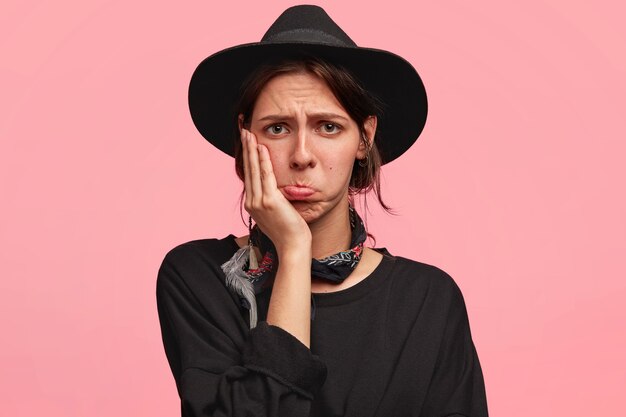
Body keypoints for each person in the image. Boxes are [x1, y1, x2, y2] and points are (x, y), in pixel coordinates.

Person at [156, 5, 488, 417]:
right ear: (245, 140)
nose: (301, 156)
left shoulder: (428, 300)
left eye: (328, 127)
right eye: (277, 128)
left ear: (364, 138)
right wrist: (294, 248)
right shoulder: (198, 276)